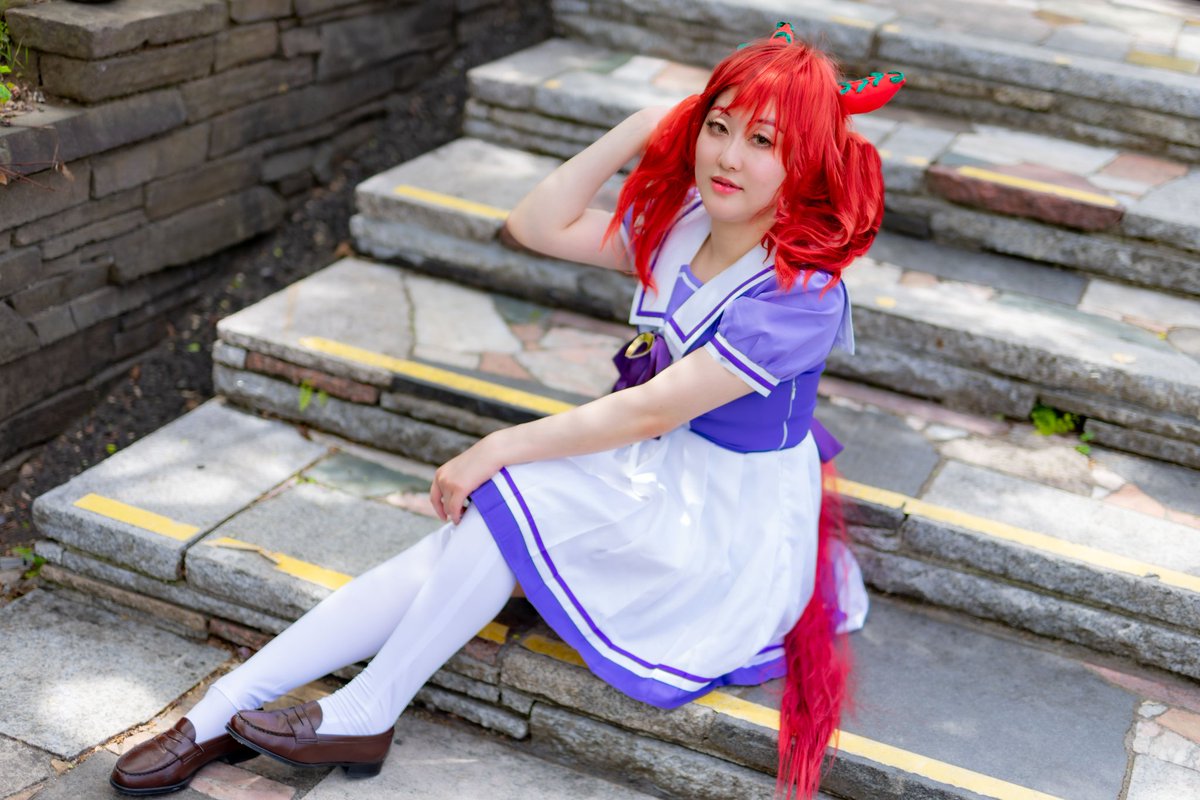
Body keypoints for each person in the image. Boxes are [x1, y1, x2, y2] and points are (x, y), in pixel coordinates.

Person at [109, 22, 902, 800]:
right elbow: (535, 224)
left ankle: (354, 707)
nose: (728, 156)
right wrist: (640, 125)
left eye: (763, 141)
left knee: (503, 495)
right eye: (717, 127)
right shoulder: (687, 225)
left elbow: (647, 412)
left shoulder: (800, 295)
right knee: (464, 540)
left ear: (806, 162)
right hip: (657, 469)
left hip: (724, 518)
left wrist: (496, 445)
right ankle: (231, 711)